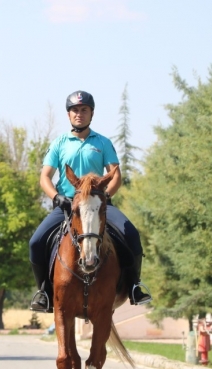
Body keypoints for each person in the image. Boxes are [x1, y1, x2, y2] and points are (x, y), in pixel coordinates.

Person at [28, 90, 151, 313]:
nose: (79, 114)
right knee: (36, 242)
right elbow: (44, 177)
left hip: (99, 205)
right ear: (68, 115)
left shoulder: (103, 142)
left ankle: (134, 286)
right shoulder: (59, 143)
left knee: (131, 234)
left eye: (84, 110)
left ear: (91, 113)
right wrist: (57, 197)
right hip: (68, 205)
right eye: (75, 110)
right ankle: (44, 292)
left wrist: (104, 198)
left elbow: (115, 175)